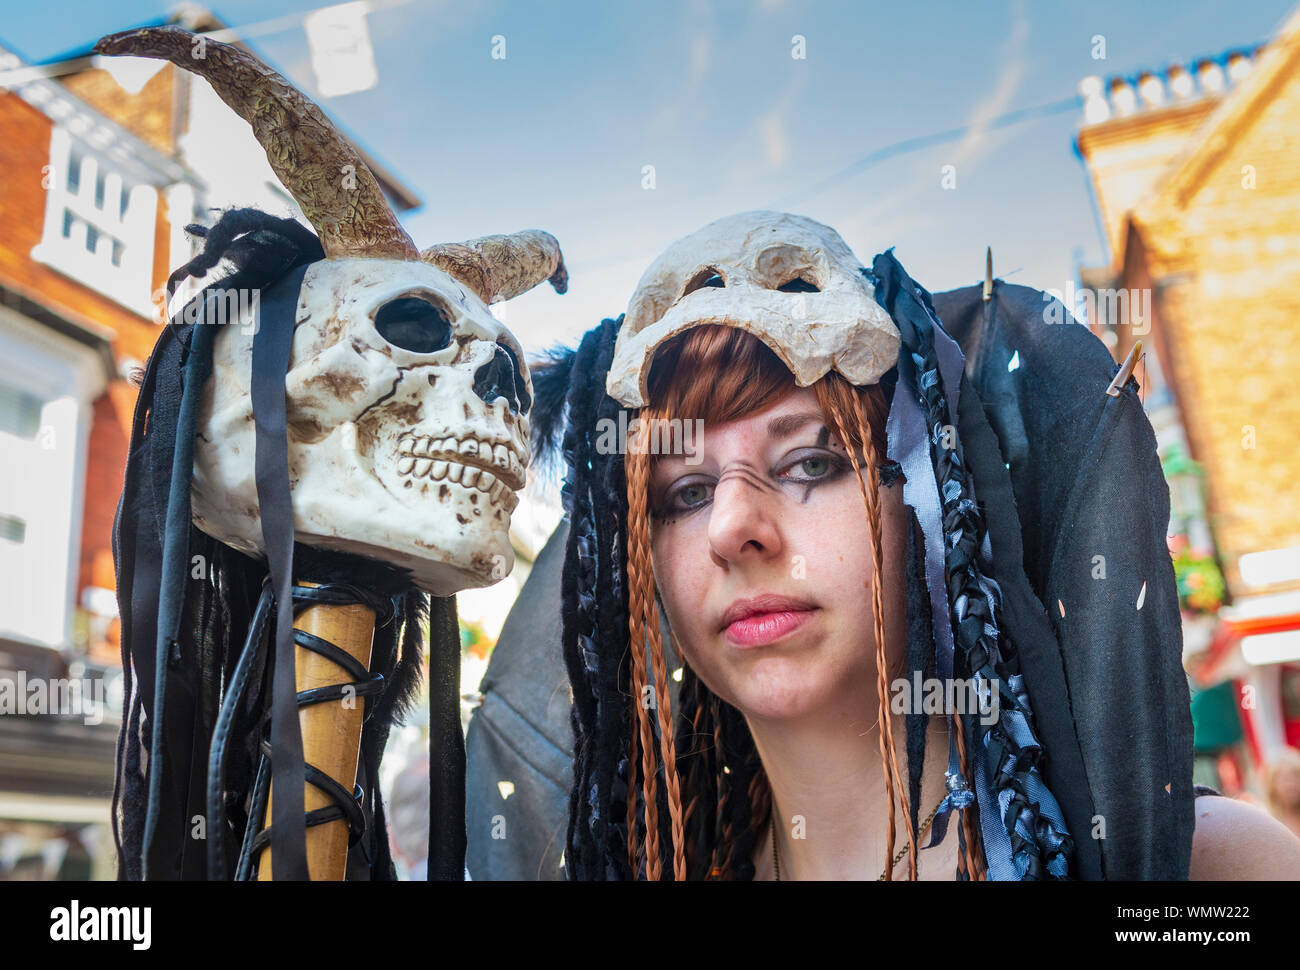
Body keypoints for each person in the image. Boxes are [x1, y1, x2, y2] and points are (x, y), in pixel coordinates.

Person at [531, 210, 1300, 880]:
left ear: (932, 509)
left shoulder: (1212, 868)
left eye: (811, 463)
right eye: (686, 494)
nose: (733, 529)